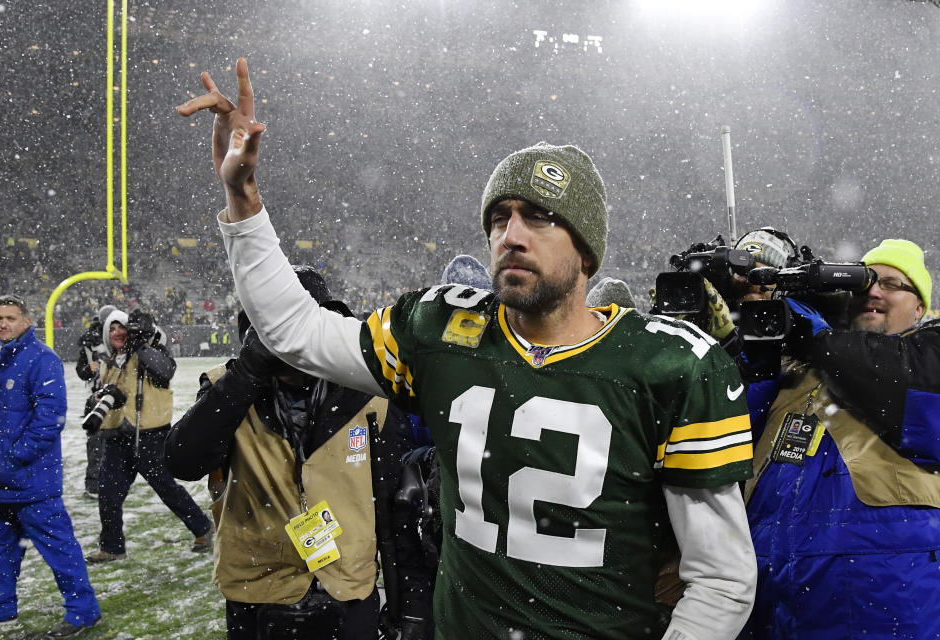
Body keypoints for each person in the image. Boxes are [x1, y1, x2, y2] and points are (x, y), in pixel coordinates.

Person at [178, 59, 757, 639]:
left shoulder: (669, 364)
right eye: (500, 218)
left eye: (539, 217)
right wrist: (242, 193)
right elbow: (295, 332)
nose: (511, 235)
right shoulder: (441, 330)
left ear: (586, 251)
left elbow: (722, 579)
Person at [165, 268, 425, 640]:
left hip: (349, 592)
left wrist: (409, 608)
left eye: (301, 325)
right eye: (277, 326)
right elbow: (182, 461)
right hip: (257, 595)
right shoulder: (228, 384)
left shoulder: (368, 394)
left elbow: (395, 512)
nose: (291, 342)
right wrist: (248, 372)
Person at [741, 238, 940, 638]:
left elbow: (902, 386)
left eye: (892, 284)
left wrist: (817, 338)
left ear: (920, 307)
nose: (874, 291)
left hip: (884, 601)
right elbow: (732, 438)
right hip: (772, 591)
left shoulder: (925, 355)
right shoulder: (803, 368)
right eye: (865, 282)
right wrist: (757, 360)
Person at [0, 294, 102, 637]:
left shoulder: (41, 359)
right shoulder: (0, 359)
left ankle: (83, 612)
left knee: (60, 550)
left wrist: (13, 457)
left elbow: (49, 420)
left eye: (10, 318)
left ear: (26, 322)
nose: (2, 324)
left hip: (31, 479)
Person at [85, 307, 214, 563]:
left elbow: (166, 371)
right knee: (108, 493)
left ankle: (203, 528)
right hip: (116, 436)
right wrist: (97, 399)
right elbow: (99, 394)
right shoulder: (110, 359)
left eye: (121, 327)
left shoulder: (149, 351)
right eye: (111, 328)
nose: (117, 332)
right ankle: (112, 547)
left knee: (167, 488)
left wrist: (141, 345)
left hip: (150, 435)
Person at [74, 304, 116, 499]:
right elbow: (81, 371)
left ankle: (110, 480)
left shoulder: (122, 338)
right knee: (97, 442)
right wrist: (89, 369)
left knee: (117, 442)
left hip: (118, 394)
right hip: (99, 396)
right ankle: (94, 484)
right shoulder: (90, 343)